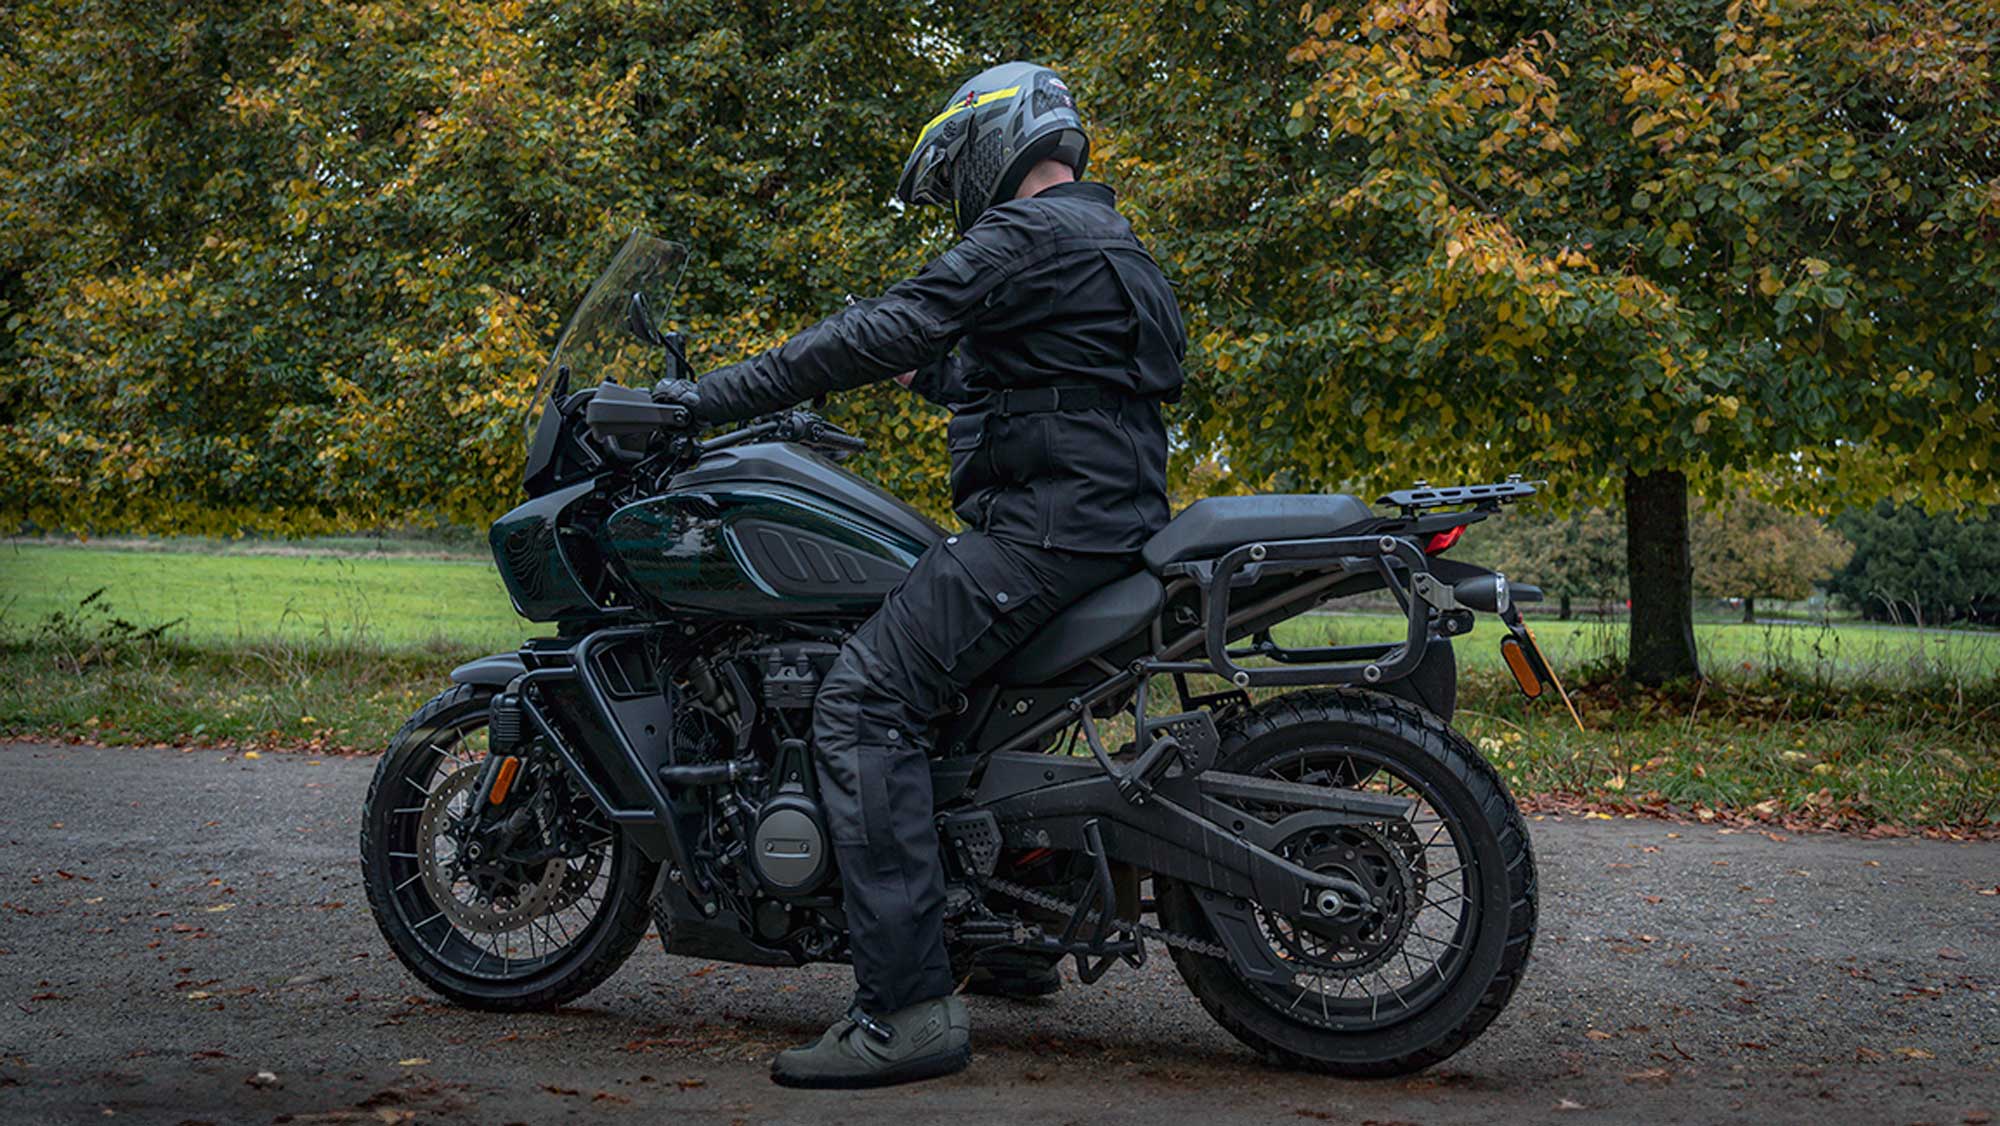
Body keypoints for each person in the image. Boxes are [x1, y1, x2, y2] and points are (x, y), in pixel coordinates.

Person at [653, 59, 1185, 1089]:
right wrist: (936, 372)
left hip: (1045, 527)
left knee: (861, 702)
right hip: (1093, 517)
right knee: (953, 712)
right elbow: (1059, 379)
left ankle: (902, 1010)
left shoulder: (1026, 233)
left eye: (952, 180)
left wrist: (704, 399)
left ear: (994, 144)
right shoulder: (1105, 240)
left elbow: (875, 328)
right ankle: (1005, 940)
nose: (954, 206)